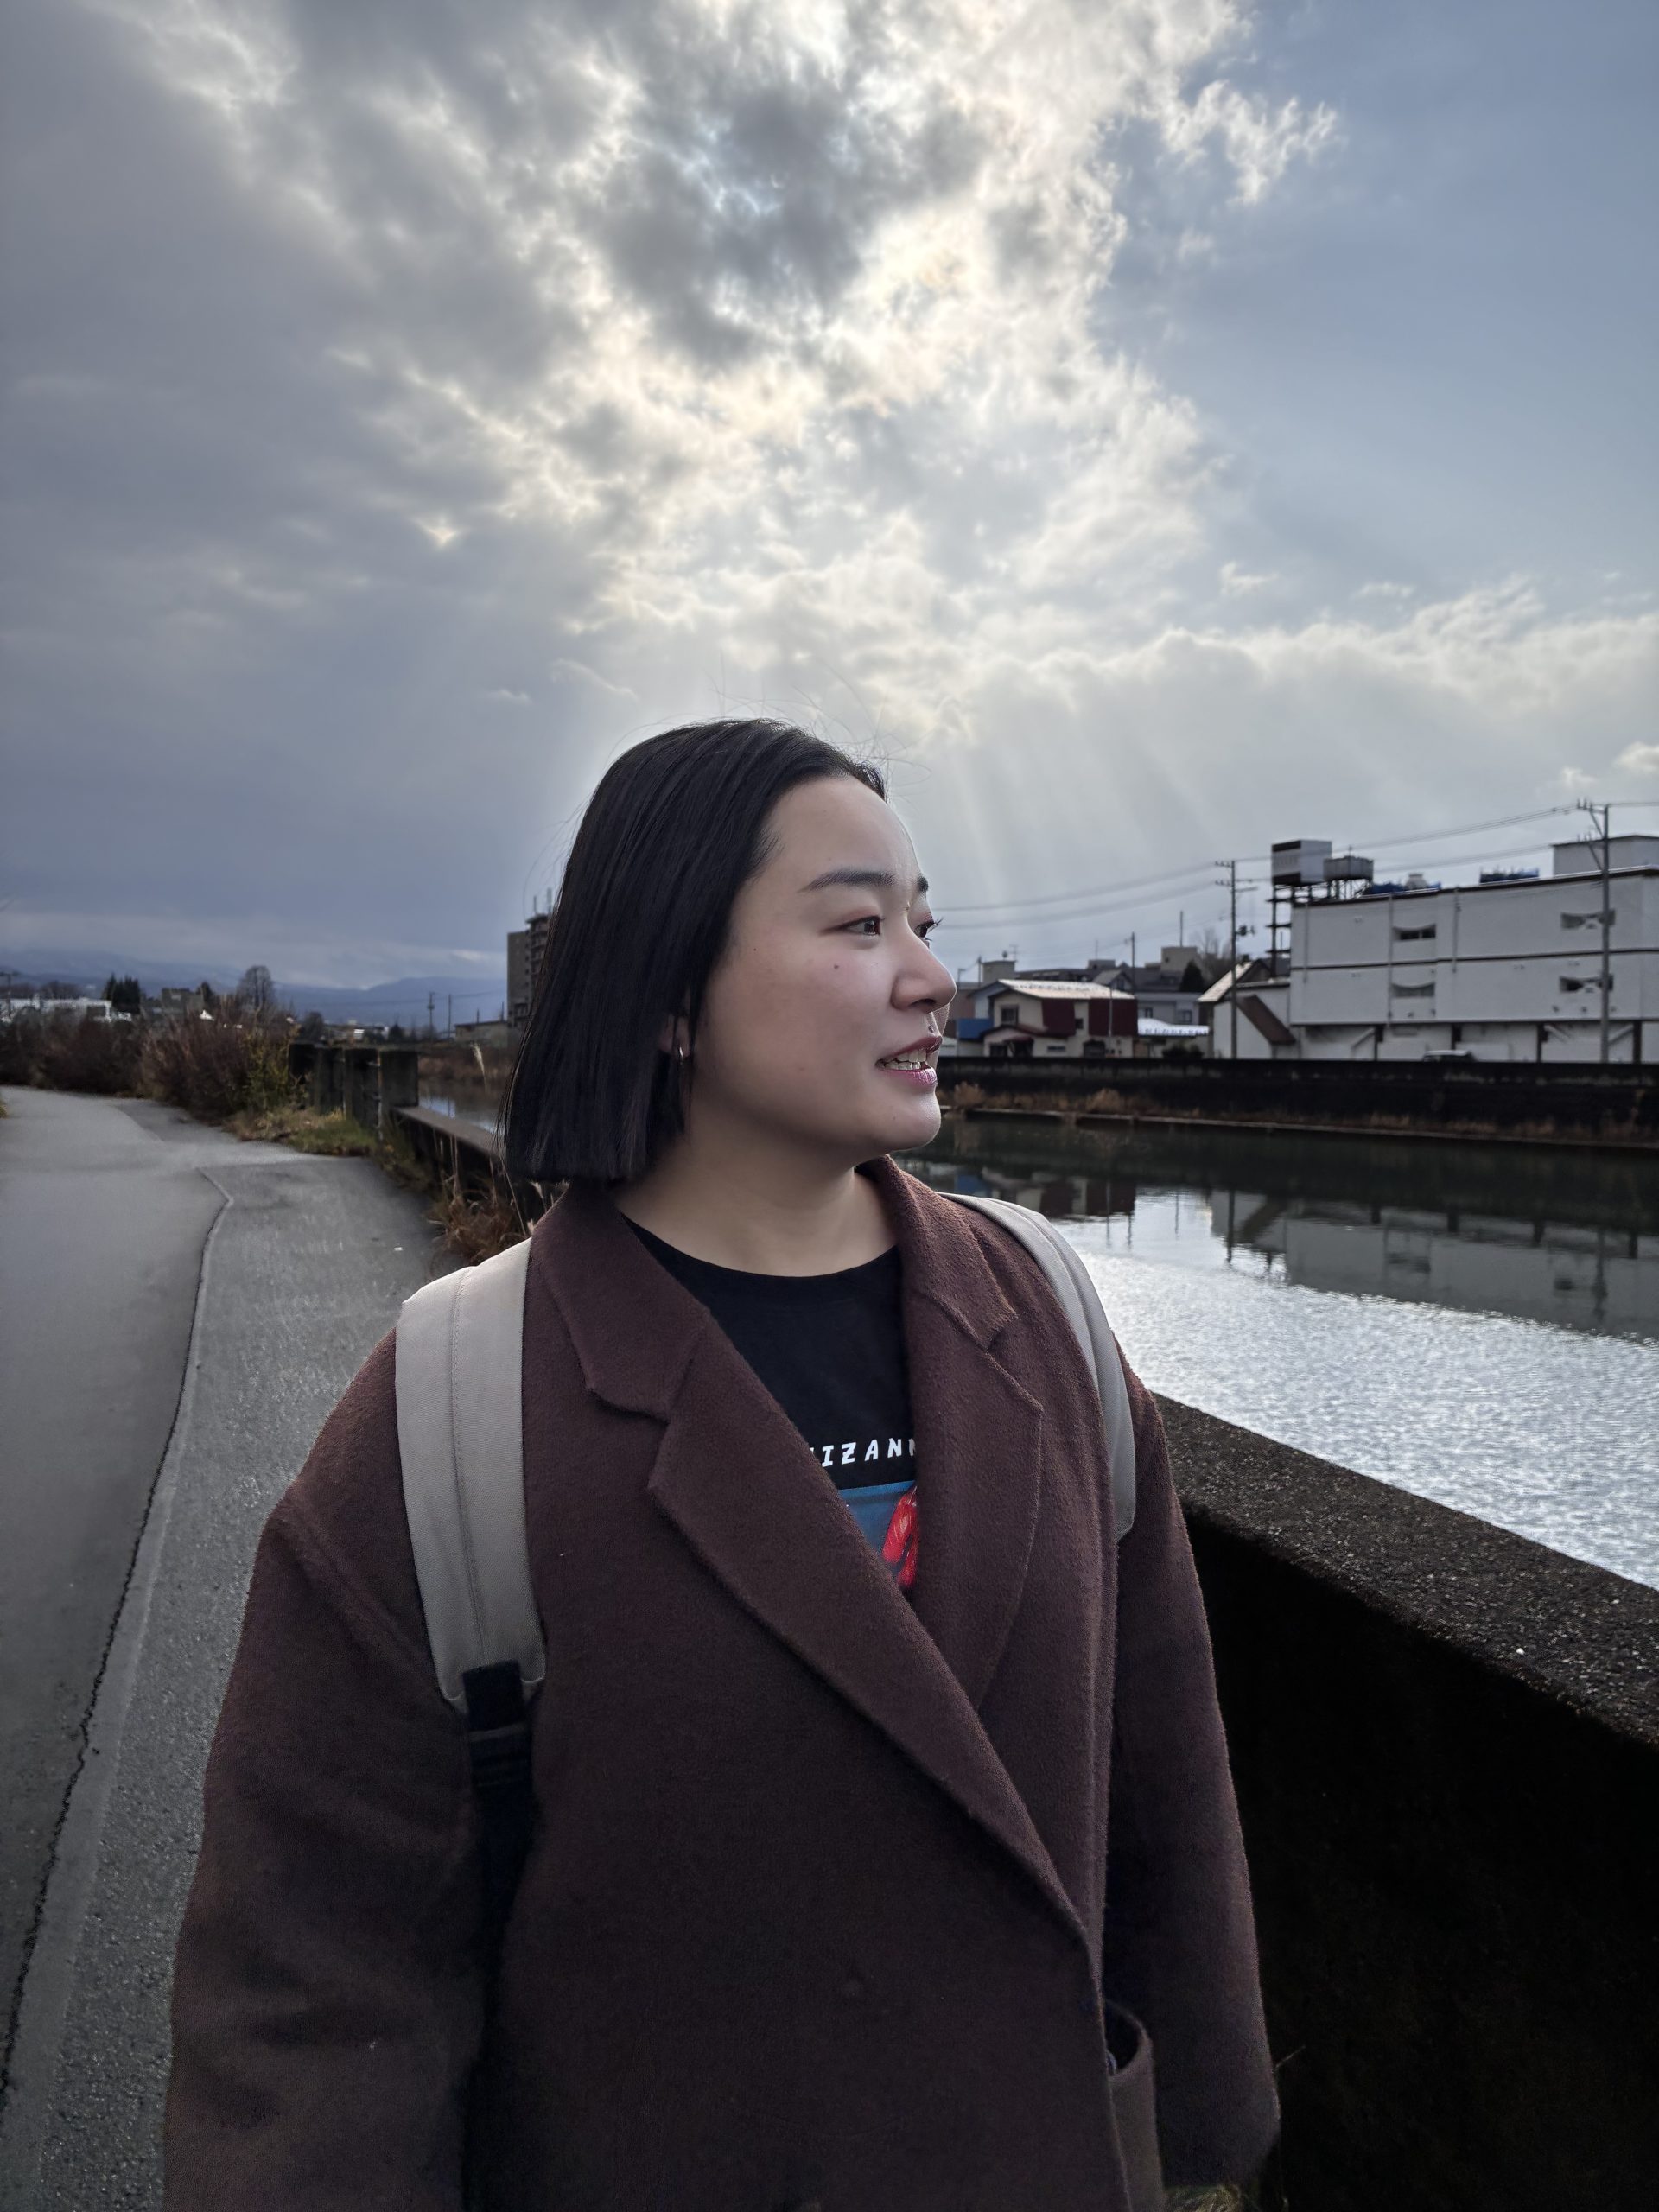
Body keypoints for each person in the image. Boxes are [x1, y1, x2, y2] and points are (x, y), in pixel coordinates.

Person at [165, 719, 1279, 2210]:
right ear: (671, 990)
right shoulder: (452, 1411)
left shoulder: (1046, 1316)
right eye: (859, 925)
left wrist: (1200, 2142)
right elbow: (310, 1995)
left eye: (924, 922)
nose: (932, 977)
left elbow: (1167, 1782)